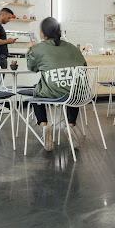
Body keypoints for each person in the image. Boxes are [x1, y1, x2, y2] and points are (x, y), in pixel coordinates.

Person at [27, 17, 87, 151]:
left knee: (37, 94)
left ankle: (44, 125)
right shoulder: (73, 48)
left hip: (53, 93)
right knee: (72, 90)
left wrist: (30, 50)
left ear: (43, 33)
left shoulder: (38, 48)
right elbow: (84, 66)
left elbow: (32, 68)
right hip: (78, 94)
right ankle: (70, 126)